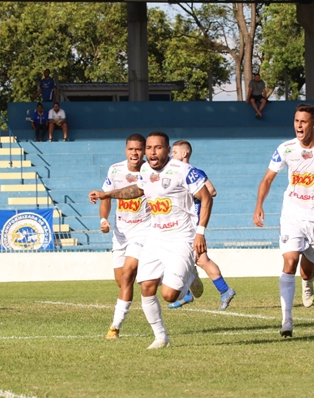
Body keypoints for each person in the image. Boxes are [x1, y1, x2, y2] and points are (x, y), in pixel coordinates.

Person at [88, 132, 213, 349]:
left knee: (169, 295)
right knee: (146, 286)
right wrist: (108, 195)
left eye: (158, 148)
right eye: (150, 148)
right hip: (156, 234)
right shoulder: (145, 170)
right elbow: (137, 190)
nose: (152, 152)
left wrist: (200, 232)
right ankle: (161, 337)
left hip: (181, 236)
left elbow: (206, 196)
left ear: (167, 150)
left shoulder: (183, 171)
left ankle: (190, 275)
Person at [253, 103, 314, 338]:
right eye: (296, 121)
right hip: (291, 215)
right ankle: (287, 320)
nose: (299, 126)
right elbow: (267, 180)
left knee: (305, 271)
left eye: (303, 122)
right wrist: (259, 205)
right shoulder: (285, 148)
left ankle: (308, 281)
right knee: (290, 262)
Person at [168, 140, 236, 310]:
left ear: (184, 154)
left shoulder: (193, 172)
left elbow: (211, 191)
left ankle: (225, 290)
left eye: (175, 152)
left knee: (201, 259)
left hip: (193, 226)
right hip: (180, 225)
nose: (171, 155)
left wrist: (193, 194)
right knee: (183, 258)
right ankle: (189, 292)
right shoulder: (175, 174)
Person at [100, 134, 151, 339]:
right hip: (121, 232)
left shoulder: (149, 171)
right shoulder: (115, 169)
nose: (135, 153)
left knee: (129, 274)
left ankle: (115, 326)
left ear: (144, 151)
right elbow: (106, 196)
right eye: (131, 149)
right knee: (121, 281)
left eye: (139, 149)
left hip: (143, 229)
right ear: (125, 150)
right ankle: (168, 274)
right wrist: (103, 219)